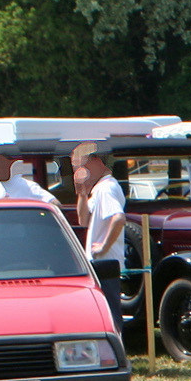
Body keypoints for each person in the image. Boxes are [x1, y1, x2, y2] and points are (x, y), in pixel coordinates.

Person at [72, 142, 128, 334]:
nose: (79, 171)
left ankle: (118, 351)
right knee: (102, 309)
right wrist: (81, 193)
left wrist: (104, 246)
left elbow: (119, 218)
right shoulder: (98, 189)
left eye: (81, 165)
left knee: (110, 309)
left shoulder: (107, 188)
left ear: (95, 161)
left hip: (106, 260)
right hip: (99, 261)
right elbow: (83, 220)